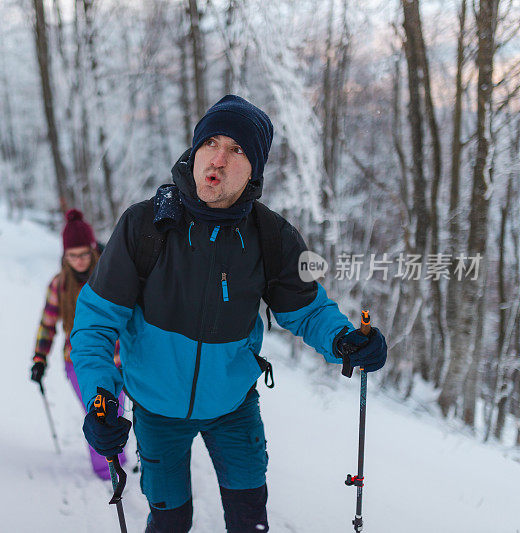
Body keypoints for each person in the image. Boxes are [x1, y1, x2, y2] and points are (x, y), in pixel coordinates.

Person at [70, 95, 388, 532]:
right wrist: (99, 399)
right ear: (195, 150)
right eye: (211, 142)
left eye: (237, 150)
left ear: (254, 169)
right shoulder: (145, 226)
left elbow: (308, 310)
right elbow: (96, 325)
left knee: (248, 521)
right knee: (169, 522)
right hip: (157, 411)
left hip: (234, 409)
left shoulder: (271, 235)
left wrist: (344, 340)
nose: (218, 157)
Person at [30, 208, 126, 480]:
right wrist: (39, 357)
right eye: (73, 256)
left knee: (121, 410)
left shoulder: (112, 276)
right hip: (78, 362)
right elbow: (47, 324)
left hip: (119, 357)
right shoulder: (58, 285)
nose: (80, 261)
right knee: (99, 414)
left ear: (93, 248)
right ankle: (106, 471)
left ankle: (123, 458)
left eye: (84, 253)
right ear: (64, 256)